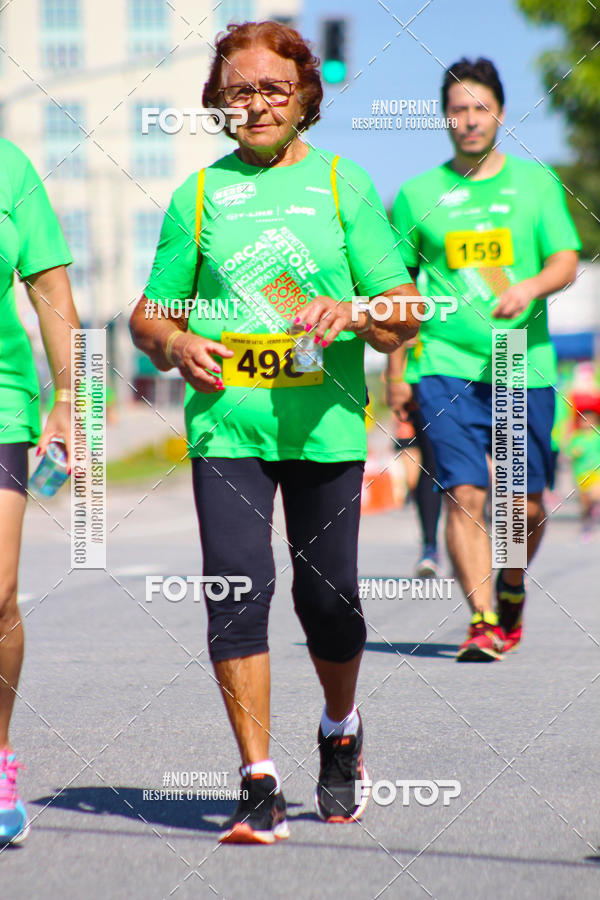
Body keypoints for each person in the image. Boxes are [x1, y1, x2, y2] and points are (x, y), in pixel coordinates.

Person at [129, 20, 421, 843]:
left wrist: (353, 311)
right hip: (229, 427)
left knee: (328, 601)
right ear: (217, 103)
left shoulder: (342, 183)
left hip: (324, 426)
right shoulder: (198, 196)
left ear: (304, 97)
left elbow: (403, 309)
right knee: (235, 590)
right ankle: (257, 779)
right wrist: (175, 343)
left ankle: (340, 730)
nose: (254, 105)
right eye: (237, 92)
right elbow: (149, 314)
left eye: (271, 89)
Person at [387, 57, 580, 661]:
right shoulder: (417, 195)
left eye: (480, 109)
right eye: (458, 110)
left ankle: (511, 583)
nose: (469, 120)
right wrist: (396, 373)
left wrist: (530, 287)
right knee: (464, 493)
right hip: (444, 364)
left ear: (500, 113)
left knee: (523, 505)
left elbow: (565, 259)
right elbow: (397, 293)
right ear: (444, 117)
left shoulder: (536, 184)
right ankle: (482, 622)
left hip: (521, 360)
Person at [0, 139, 78, 843]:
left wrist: (69, 399)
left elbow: (50, 288)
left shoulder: (10, 167)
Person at [387, 337, 442, 576]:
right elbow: (398, 326)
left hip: (478, 377)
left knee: (468, 467)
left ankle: (472, 542)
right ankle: (430, 547)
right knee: (432, 463)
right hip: (422, 377)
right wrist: (395, 379)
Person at [566, 405, 600, 539]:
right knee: (585, 502)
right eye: (584, 420)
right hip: (581, 474)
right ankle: (586, 523)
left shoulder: (597, 435)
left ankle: (595, 508)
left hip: (596, 472)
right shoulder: (577, 437)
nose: (586, 423)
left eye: (589, 420)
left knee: (595, 495)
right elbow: (569, 452)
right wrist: (575, 452)